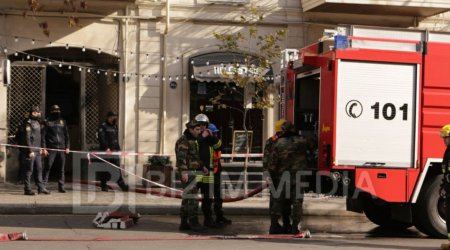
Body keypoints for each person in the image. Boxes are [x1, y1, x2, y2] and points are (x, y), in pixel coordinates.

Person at [268, 120, 308, 234]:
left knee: (278, 201)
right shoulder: (302, 141)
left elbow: (272, 164)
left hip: (282, 177)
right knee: (297, 202)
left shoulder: (278, 143)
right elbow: (314, 143)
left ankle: (274, 226)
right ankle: (294, 227)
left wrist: (272, 175)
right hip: (299, 176)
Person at [176, 119, 207, 232]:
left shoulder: (192, 140)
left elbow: (194, 157)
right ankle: (194, 223)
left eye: (199, 129)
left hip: (193, 171)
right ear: (190, 129)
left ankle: (184, 222)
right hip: (188, 173)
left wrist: (202, 166)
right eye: (197, 129)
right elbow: (181, 158)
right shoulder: (184, 141)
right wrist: (184, 172)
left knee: (187, 198)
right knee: (193, 198)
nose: (199, 131)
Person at [263, 119, 291, 234]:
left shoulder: (271, 141)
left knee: (279, 201)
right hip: (280, 176)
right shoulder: (281, 141)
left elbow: (265, 160)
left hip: (278, 176)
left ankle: (279, 224)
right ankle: (279, 225)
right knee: (283, 201)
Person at [194, 113, 222, 228]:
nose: (202, 127)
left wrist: (211, 137)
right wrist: (202, 137)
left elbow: (219, 146)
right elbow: (194, 148)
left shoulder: (208, 135)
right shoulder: (194, 135)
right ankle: (191, 220)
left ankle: (208, 219)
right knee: (192, 197)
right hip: (197, 171)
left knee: (208, 197)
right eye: (199, 125)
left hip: (208, 171)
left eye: (204, 125)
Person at [97, 111, 128, 192]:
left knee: (117, 168)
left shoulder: (115, 126)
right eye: (113, 117)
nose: (115, 118)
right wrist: (106, 148)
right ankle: (103, 185)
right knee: (105, 168)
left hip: (114, 151)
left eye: (116, 117)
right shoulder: (103, 126)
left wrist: (118, 149)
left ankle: (122, 185)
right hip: (106, 152)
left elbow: (115, 139)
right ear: (109, 117)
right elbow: (101, 138)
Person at [22, 105, 50, 195]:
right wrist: (30, 151)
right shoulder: (28, 123)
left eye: (38, 112)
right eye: (36, 112)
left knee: (39, 169)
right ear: (32, 113)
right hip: (31, 151)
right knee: (29, 170)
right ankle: (27, 189)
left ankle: (41, 188)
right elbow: (27, 138)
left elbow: (41, 137)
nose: (38, 113)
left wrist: (43, 148)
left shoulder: (38, 122)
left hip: (38, 150)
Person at [43, 105, 70, 193]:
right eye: (55, 110)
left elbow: (66, 135)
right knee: (48, 167)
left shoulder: (63, 121)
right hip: (51, 148)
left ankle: (61, 186)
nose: (57, 112)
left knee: (61, 168)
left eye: (58, 110)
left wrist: (67, 147)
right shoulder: (47, 121)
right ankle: (43, 186)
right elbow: (43, 136)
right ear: (51, 111)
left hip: (62, 148)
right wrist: (44, 148)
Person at [209, 123, 232, 225]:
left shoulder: (215, 142)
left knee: (218, 196)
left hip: (216, 171)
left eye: (215, 133)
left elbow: (219, 146)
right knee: (208, 197)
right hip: (208, 173)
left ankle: (219, 216)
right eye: (214, 133)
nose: (216, 135)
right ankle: (209, 218)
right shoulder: (205, 143)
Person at [439, 124, 450, 245]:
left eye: (446, 137)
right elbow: (446, 173)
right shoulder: (447, 152)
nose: (444, 140)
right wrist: (442, 186)